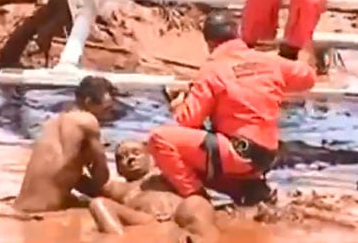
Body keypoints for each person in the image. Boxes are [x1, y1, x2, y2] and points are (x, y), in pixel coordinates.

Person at [147, 10, 315, 203]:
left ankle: (196, 196)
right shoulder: (269, 62)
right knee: (206, 145)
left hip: (236, 153)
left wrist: (178, 105)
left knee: (160, 140)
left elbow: (188, 121)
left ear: (209, 43)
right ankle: (246, 189)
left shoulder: (214, 70)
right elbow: (308, 77)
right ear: (237, 34)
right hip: (267, 155)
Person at [13, 75, 116, 213]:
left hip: (22, 206)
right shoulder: (87, 121)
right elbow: (101, 177)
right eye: (106, 109)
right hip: (47, 212)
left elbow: (61, 169)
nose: (108, 116)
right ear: (88, 101)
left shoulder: (52, 124)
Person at [88, 139, 219, 242]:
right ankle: (119, 238)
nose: (130, 158)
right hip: (148, 220)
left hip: (180, 212)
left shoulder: (166, 173)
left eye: (136, 153)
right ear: (118, 169)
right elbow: (83, 179)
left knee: (195, 202)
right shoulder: (120, 188)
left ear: (150, 157)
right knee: (99, 204)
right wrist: (94, 151)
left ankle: (204, 239)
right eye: (122, 157)